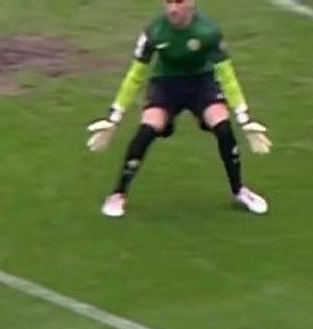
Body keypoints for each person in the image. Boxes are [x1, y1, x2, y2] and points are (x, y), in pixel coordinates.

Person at [87, 0, 271, 217]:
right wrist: (114, 117)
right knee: (147, 130)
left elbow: (227, 76)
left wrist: (244, 118)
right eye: (168, 2)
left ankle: (239, 190)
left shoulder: (209, 32)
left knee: (222, 127)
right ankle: (118, 193)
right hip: (166, 85)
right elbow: (135, 76)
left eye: (179, 2)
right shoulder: (154, 32)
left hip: (201, 84)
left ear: (192, 3)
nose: (173, 9)